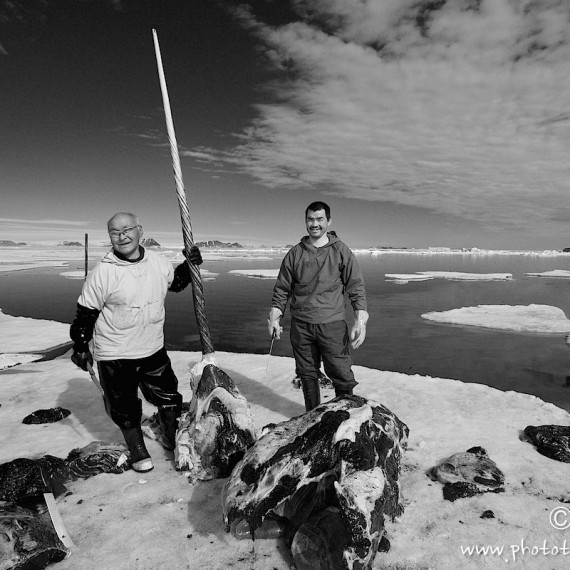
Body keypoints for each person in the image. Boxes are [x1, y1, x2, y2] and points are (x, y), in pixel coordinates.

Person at [69, 212, 202, 473]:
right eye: (115, 232)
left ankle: (171, 437)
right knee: (124, 405)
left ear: (140, 230)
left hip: (152, 347)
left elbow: (174, 284)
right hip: (115, 352)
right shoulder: (103, 272)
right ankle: (137, 449)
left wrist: (190, 265)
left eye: (127, 229)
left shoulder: (157, 261)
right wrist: (81, 345)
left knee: (169, 397)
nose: (122, 236)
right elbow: (85, 314)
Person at [268, 201, 369, 411]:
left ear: (328, 221)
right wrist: (274, 317)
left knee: (341, 374)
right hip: (301, 327)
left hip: (331, 325)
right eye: (311, 219)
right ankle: (312, 416)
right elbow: (282, 289)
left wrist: (360, 319)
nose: (315, 224)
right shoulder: (295, 254)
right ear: (306, 221)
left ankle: (344, 416)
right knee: (307, 374)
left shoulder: (341, 251)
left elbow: (355, 286)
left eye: (320, 219)